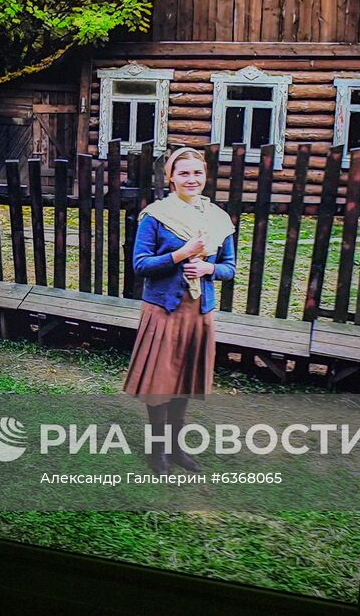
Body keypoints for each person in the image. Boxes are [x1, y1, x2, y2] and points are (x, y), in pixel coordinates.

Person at [122, 146, 238, 475]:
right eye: (183, 173)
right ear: (171, 178)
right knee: (161, 382)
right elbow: (140, 265)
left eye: (197, 173)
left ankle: (175, 447)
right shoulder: (156, 216)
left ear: (206, 177)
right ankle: (156, 451)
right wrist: (181, 254)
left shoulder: (218, 219)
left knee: (185, 381)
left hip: (199, 312)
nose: (191, 179)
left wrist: (207, 270)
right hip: (163, 309)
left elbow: (229, 268)